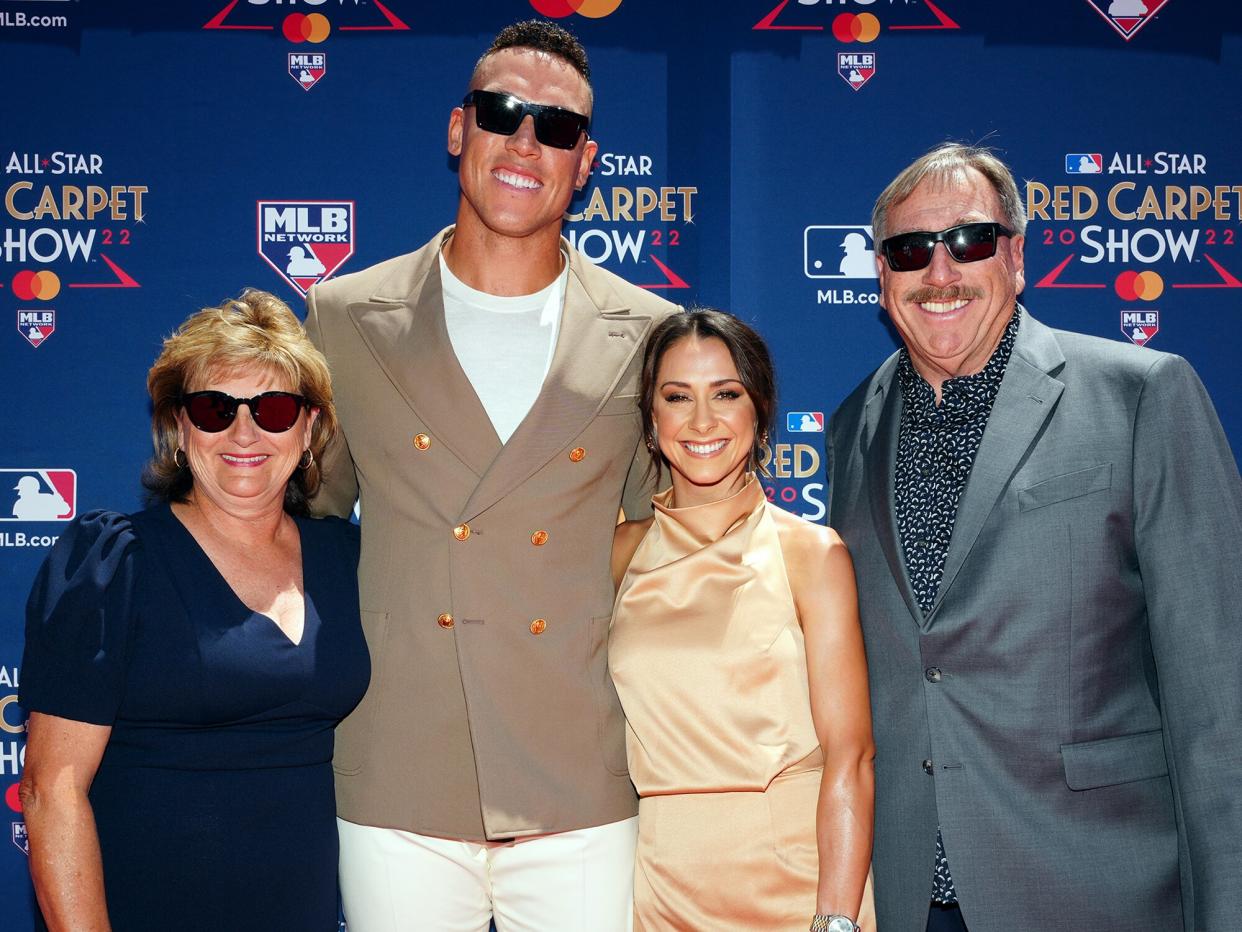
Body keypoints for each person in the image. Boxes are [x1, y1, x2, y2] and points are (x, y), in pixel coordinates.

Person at [303, 19, 677, 931]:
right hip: (399, 774)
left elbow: (661, 544)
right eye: (502, 112)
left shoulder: (650, 330)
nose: (525, 142)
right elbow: (301, 517)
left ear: (584, 162)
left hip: (581, 781)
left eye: (555, 127)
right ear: (457, 128)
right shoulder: (347, 315)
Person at [826, 142, 1242, 932]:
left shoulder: (1142, 396)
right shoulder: (850, 428)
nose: (940, 272)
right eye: (911, 249)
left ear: (1016, 257)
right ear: (882, 277)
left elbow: (1221, 698)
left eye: (971, 241)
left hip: (1092, 887)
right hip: (907, 895)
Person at [19, 290, 370, 932]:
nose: (244, 433)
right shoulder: (114, 564)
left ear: (310, 427)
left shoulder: (347, 559)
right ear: (180, 428)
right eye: (213, 409)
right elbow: (51, 790)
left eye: (274, 408)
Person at [610, 309, 875, 932]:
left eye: (726, 395)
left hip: (797, 884)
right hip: (663, 887)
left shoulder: (812, 553)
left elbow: (851, 755)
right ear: (652, 422)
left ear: (758, 412)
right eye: (678, 398)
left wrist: (835, 920)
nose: (702, 421)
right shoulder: (619, 552)